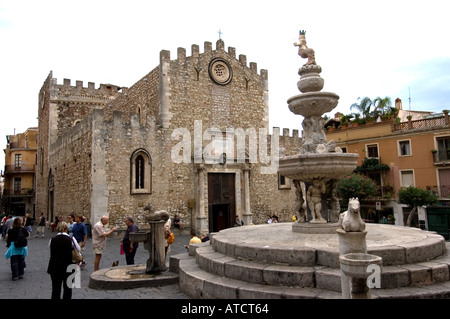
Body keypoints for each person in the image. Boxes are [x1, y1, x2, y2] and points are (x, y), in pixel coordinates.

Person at [47, 221, 79, 299]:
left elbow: (50, 248)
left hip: (55, 266)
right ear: (66, 228)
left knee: (55, 289)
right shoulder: (71, 239)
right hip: (69, 266)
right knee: (68, 289)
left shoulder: (52, 240)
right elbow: (78, 249)